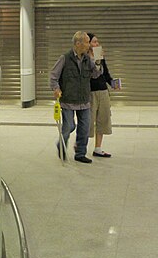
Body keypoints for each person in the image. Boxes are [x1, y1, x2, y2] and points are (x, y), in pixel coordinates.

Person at [49, 31, 102, 164]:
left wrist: (97, 61)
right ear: (78, 43)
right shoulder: (65, 58)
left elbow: (96, 75)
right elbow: (53, 76)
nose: (88, 45)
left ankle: (80, 154)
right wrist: (56, 88)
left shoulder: (87, 59)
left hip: (84, 100)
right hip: (68, 100)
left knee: (84, 128)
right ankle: (61, 144)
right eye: (86, 42)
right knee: (69, 126)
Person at [87, 33, 121, 158]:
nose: (97, 44)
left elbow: (105, 72)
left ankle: (98, 148)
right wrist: (95, 60)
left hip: (103, 91)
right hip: (90, 92)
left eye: (97, 42)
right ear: (88, 43)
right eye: (94, 42)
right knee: (88, 121)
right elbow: (89, 74)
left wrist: (112, 83)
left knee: (103, 119)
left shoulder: (99, 54)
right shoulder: (84, 58)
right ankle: (80, 146)